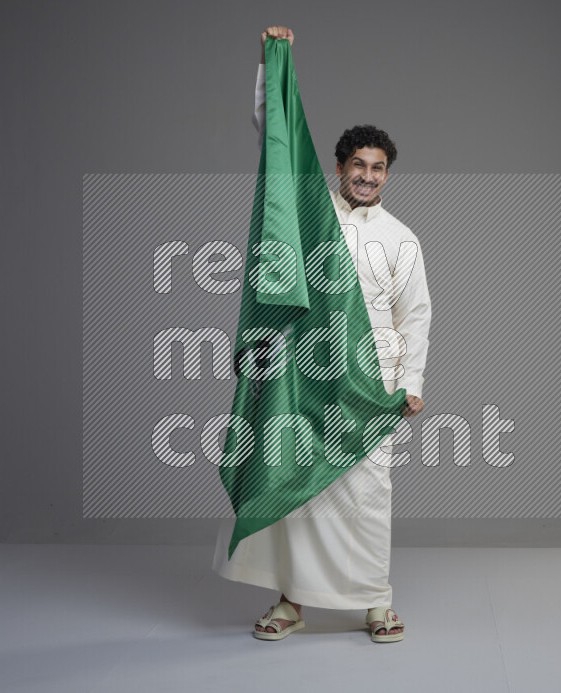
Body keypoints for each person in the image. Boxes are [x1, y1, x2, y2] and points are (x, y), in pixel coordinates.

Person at [212, 26, 431, 643]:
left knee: (367, 494)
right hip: (304, 369)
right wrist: (270, 63)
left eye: (377, 168)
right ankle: (291, 602)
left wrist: (412, 380)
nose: (366, 176)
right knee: (297, 489)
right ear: (338, 168)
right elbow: (274, 143)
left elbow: (416, 313)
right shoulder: (310, 212)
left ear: (389, 174)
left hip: (369, 377)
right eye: (357, 165)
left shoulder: (401, 238)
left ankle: (375, 603)